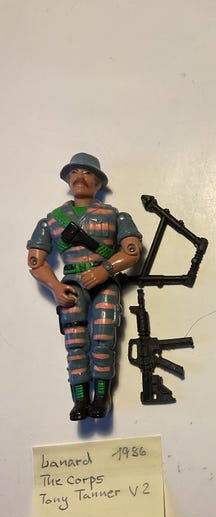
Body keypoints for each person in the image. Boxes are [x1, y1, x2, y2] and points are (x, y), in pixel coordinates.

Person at [27, 152, 142, 420]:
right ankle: (80, 400)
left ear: (98, 182)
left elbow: (131, 251)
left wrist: (105, 270)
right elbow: (35, 262)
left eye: (87, 172)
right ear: (68, 179)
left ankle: (101, 397)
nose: (80, 177)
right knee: (75, 343)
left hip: (105, 283)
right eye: (75, 172)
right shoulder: (52, 220)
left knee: (104, 338)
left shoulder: (115, 216)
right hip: (70, 286)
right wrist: (55, 287)